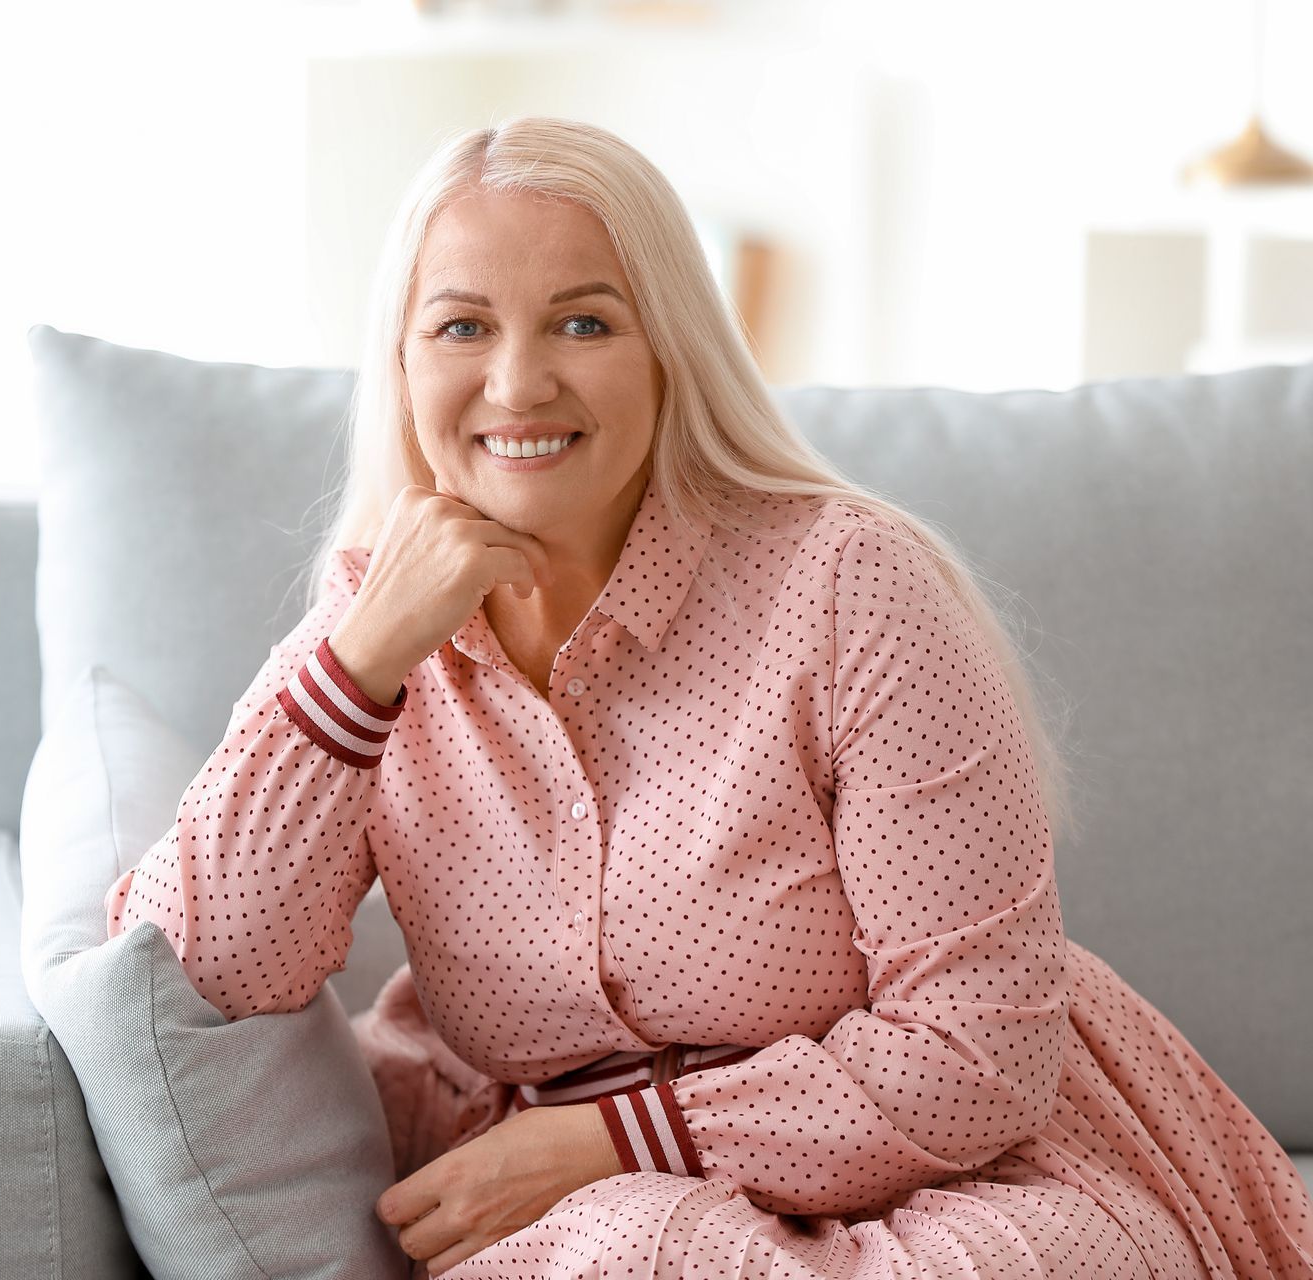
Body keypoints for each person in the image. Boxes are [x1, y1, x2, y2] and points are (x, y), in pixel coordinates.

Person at [103, 116, 1313, 1279]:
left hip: (952, 1182)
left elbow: (978, 1049)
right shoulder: (375, 626)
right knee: (626, 1248)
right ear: (405, 360)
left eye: (583, 321)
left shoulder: (848, 582)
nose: (517, 384)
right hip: (603, 1231)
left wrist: (612, 1141)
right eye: (463, 326)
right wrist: (360, 663)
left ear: (669, 345)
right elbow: (198, 964)